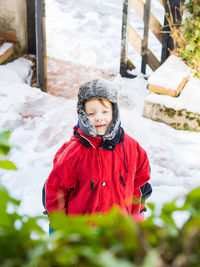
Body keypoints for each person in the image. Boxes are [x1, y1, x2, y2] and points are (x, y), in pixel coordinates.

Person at [43, 78, 152, 225]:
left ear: (114, 112)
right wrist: (61, 225)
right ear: (82, 115)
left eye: (105, 111)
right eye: (91, 113)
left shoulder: (131, 148)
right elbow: (55, 192)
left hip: (118, 230)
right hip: (84, 234)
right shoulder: (72, 153)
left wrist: (136, 214)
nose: (99, 117)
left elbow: (139, 184)